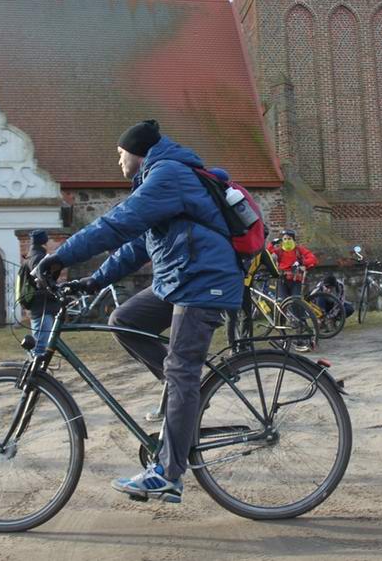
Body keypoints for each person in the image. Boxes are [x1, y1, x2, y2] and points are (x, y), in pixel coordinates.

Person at [36, 119, 242, 504]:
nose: (118, 161)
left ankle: (168, 474)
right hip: (183, 279)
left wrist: (59, 257)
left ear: (136, 151)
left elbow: (116, 224)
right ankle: (184, 393)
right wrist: (95, 281)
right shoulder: (159, 179)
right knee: (124, 321)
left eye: (120, 154)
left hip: (203, 282)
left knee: (181, 370)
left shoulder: (167, 175)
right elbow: (136, 245)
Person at [25, 229, 54, 355]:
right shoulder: (38, 258)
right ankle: (33, 373)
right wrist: (54, 289)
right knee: (40, 347)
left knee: (40, 344)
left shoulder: (32, 256)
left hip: (40, 306)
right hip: (42, 306)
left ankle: (36, 372)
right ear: (44, 243)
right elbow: (42, 281)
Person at [268, 229, 318, 297]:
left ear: (293, 240)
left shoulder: (299, 250)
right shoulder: (279, 251)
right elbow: (268, 253)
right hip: (282, 280)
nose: (287, 241)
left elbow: (313, 259)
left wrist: (302, 262)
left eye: (289, 238)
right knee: (281, 302)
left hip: (296, 280)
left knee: (295, 302)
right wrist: (272, 243)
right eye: (284, 239)